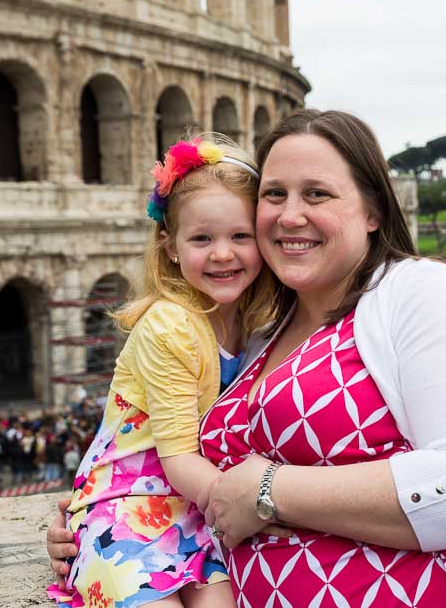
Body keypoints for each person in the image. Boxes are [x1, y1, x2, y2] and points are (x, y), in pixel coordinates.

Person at [48, 110, 446, 607]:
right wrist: (102, 519)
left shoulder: (422, 291)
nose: (290, 214)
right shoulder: (256, 333)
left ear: (374, 210)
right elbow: (163, 454)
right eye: (274, 194)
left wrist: (268, 491)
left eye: (317, 193)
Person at [47, 136, 288, 608]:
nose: (223, 253)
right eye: (202, 238)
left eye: (240, 236)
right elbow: (178, 457)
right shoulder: (170, 323)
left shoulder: (258, 320)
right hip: (127, 502)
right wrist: (262, 505)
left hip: (200, 506)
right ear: (170, 246)